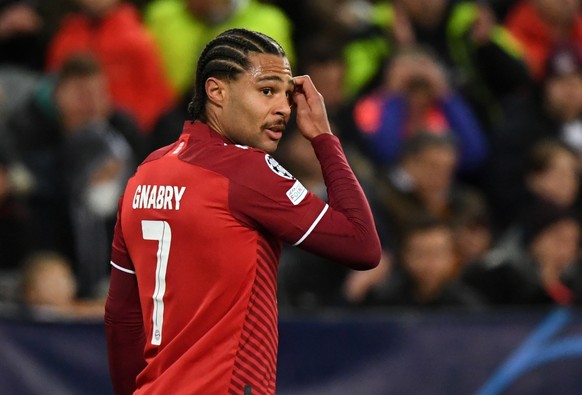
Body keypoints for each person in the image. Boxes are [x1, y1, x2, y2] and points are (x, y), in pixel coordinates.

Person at [104, 28, 381, 395]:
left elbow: (122, 317)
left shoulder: (143, 176)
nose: (283, 108)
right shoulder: (247, 172)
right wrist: (324, 139)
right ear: (216, 91)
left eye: (286, 95)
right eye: (267, 90)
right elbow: (362, 245)